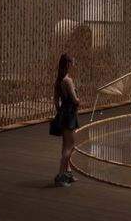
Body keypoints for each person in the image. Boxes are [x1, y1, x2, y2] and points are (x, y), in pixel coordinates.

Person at [53, 53, 80, 187]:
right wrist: (78, 100)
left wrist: (60, 113)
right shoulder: (68, 81)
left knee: (65, 145)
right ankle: (60, 175)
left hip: (63, 114)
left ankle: (67, 173)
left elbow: (56, 102)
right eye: (72, 63)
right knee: (70, 146)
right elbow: (75, 99)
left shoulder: (58, 81)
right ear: (68, 64)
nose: (73, 66)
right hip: (70, 115)